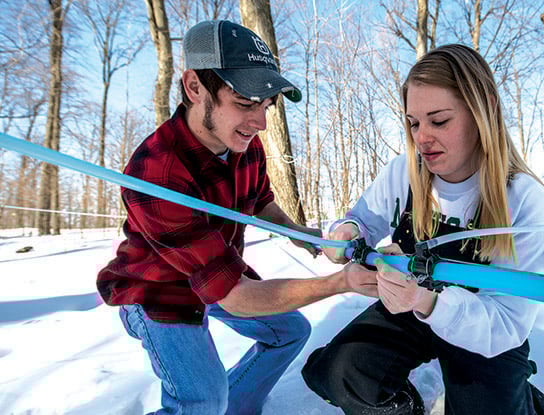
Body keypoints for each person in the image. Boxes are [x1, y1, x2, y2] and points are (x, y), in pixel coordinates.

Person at [96, 20, 377, 415]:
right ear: (195, 87)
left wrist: (298, 232)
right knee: (201, 400)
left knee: (288, 332)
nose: (260, 121)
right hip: (158, 291)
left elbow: (260, 201)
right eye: (246, 103)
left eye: (266, 105)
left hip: (217, 273)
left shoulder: (244, 143)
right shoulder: (157, 172)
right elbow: (238, 297)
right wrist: (339, 283)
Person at [302, 44, 544, 415]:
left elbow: (507, 322)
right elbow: (362, 220)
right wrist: (345, 232)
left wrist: (426, 300)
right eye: (413, 123)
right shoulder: (405, 173)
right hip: (410, 308)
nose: (422, 137)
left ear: (482, 110)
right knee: (342, 372)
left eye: (439, 121)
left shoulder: (522, 198)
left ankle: (523, 400)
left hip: (483, 327)